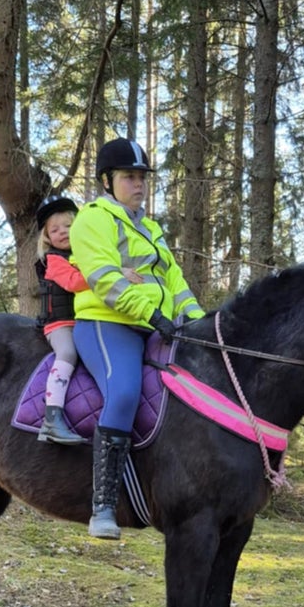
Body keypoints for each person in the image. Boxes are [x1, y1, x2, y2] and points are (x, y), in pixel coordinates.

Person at [71, 136, 205, 538]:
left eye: (142, 177)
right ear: (107, 181)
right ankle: (103, 506)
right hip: (106, 322)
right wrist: (152, 314)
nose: (139, 184)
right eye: (130, 177)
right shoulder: (92, 219)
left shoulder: (150, 227)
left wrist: (197, 323)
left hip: (155, 323)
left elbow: (174, 280)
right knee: (126, 391)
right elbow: (105, 280)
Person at [35, 194, 88, 445]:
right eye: (55, 229)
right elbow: (74, 282)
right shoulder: (54, 260)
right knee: (67, 353)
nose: (63, 232)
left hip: (83, 321)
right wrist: (106, 276)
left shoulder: (85, 256)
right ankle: (51, 418)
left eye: (68, 226)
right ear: (47, 237)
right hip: (59, 323)